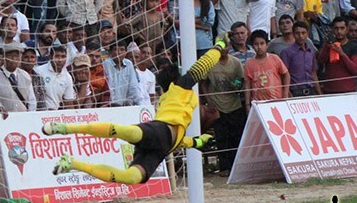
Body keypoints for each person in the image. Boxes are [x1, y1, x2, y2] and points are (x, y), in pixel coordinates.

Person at [41, 37, 224, 185]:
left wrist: (197, 142)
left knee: (132, 178)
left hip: (163, 146)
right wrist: (218, 47)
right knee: (128, 132)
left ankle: (72, 164)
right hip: (161, 130)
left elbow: (180, 141)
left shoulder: (172, 99)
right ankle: (65, 128)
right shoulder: (179, 88)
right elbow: (202, 65)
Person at [202, 41, 245, 176]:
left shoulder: (236, 62)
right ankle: (224, 168)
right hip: (218, 106)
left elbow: (241, 80)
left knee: (235, 137)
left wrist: (236, 86)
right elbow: (203, 82)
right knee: (221, 138)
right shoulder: (209, 62)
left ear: (230, 47)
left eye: (226, 46)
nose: (223, 49)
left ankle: (235, 167)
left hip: (234, 105)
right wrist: (209, 100)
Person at [244, 30, 290, 109]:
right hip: (258, 104)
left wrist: (285, 94)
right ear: (252, 46)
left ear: (267, 45)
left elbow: (286, 74)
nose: (259, 47)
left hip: (277, 101)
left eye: (262, 43)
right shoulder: (249, 64)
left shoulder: (274, 58)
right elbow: (247, 85)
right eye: (256, 44)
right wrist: (247, 105)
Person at [317, 16, 357, 95]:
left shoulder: (354, 47)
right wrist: (327, 46)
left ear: (347, 29)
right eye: (336, 28)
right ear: (332, 30)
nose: (339, 31)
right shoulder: (328, 45)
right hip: (329, 91)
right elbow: (321, 61)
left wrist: (342, 53)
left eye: (342, 28)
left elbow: (355, 69)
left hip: (348, 91)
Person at [279, 21, 321, 96]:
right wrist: (288, 94)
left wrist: (319, 93)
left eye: (303, 33)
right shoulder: (287, 52)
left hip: (311, 90)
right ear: (293, 34)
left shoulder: (311, 51)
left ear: (307, 34)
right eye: (297, 33)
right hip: (295, 91)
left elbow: (313, 73)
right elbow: (284, 75)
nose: (301, 36)